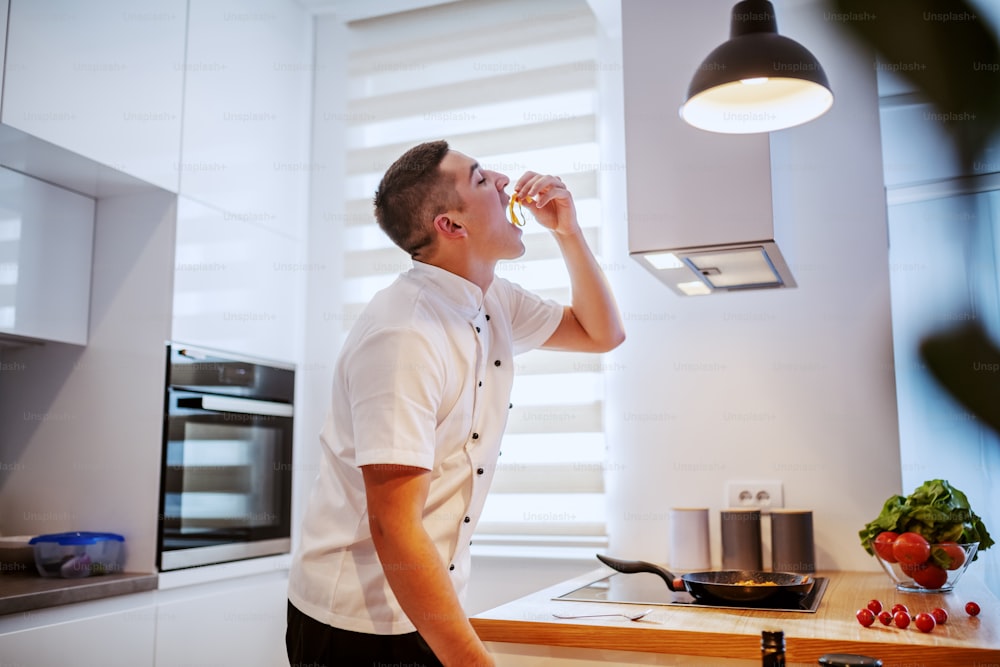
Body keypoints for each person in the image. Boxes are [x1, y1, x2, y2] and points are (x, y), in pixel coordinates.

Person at [286, 140, 625, 667]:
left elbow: (601, 333)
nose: (506, 182)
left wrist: (569, 233)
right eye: (482, 180)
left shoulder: (493, 299)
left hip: (428, 602)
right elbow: (394, 527)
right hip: (359, 620)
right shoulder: (403, 335)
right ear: (452, 226)